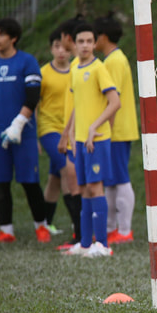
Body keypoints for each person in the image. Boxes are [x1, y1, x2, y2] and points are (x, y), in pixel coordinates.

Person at [0, 18, 51, 243]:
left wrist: (18, 124)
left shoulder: (27, 61)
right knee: (0, 182)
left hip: (23, 133)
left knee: (29, 181)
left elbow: (33, 97)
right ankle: (6, 231)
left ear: (13, 38)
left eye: (1, 34)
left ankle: (42, 227)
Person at [60, 23, 121, 257]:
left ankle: (103, 245)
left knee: (96, 188)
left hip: (97, 139)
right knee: (83, 188)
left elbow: (115, 102)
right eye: (81, 41)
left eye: (89, 41)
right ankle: (85, 244)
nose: (85, 45)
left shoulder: (99, 69)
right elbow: (78, 104)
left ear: (95, 44)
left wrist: (95, 126)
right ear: (74, 44)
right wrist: (71, 132)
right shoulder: (75, 68)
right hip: (80, 140)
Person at [94, 13, 139, 244]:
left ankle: (125, 231)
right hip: (116, 129)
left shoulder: (113, 62)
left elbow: (113, 100)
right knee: (110, 180)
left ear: (102, 37)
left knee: (120, 178)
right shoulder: (114, 59)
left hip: (117, 130)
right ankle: (112, 228)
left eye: (94, 36)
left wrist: (106, 129)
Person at [37, 28, 79, 240]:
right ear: (51, 49)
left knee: (54, 178)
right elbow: (34, 105)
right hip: (49, 130)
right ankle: (77, 223)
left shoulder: (77, 70)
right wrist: (35, 137)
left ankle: (46, 223)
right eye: (56, 47)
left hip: (70, 130)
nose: (61, 51)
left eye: (65, 47)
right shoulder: (43, 73)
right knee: (67, 169)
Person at [53, 15, 87, 249]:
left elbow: (78, 105)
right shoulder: (77, 65)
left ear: (67, 38)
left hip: (79, 135)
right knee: (74, 184)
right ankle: (81, 236)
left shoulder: (78, 67)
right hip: (76, 133)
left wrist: (67, 134)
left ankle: (83, 237)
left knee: (78, 186)